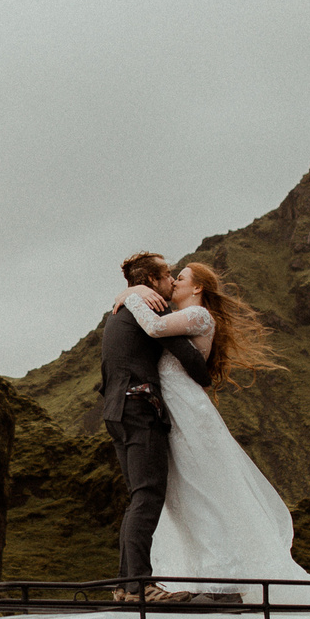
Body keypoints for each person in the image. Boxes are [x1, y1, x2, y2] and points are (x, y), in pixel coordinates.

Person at [115, 263, 310, 607]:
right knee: (185, 491)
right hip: (169, 407)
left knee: (206, 486)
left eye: (180, 278)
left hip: (186, 408)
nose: (173, 281)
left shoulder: (199, 316)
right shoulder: (178, 317)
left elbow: (154, 327)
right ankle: (204, 572)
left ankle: (222, 574)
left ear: (197, 288)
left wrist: (129, 294)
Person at [96, 251, 216, 590]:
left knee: (139, 496)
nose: (172, 280)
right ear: (151, 282)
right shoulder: (149, 306)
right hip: (139, 408)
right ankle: (139, 587)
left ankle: (126, 586)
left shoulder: (119, 311)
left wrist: (126, 293)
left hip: (115, 411)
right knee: (148, 495)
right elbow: (191, 362)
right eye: (167, 275)